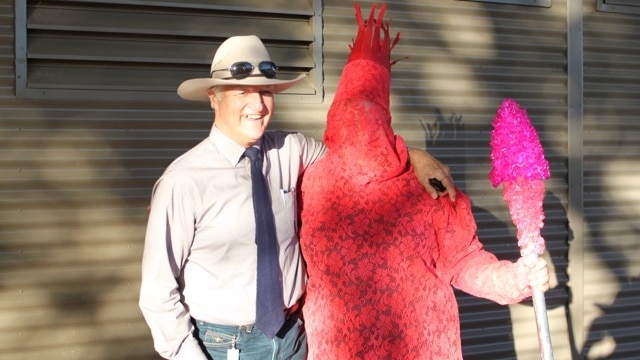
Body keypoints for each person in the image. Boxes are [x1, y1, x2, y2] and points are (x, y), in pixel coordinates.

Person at [138, 34, 454, 360]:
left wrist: (413, 155)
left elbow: (358, 158)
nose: (257, 105)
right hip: (226, 345)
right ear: (213, 97)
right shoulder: (184, 181)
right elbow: (158, 293)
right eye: (242, 92)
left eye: (265, 92)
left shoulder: (291, 150)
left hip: (293, 337)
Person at [298, 4, 551, 359]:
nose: (359, 130)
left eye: (369, 117)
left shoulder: (426, 186)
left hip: (423, 347)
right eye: (349, 115)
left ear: (384, 120)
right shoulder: (307, 181)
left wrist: (516, 278)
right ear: (334, 119)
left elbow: (463, 261)